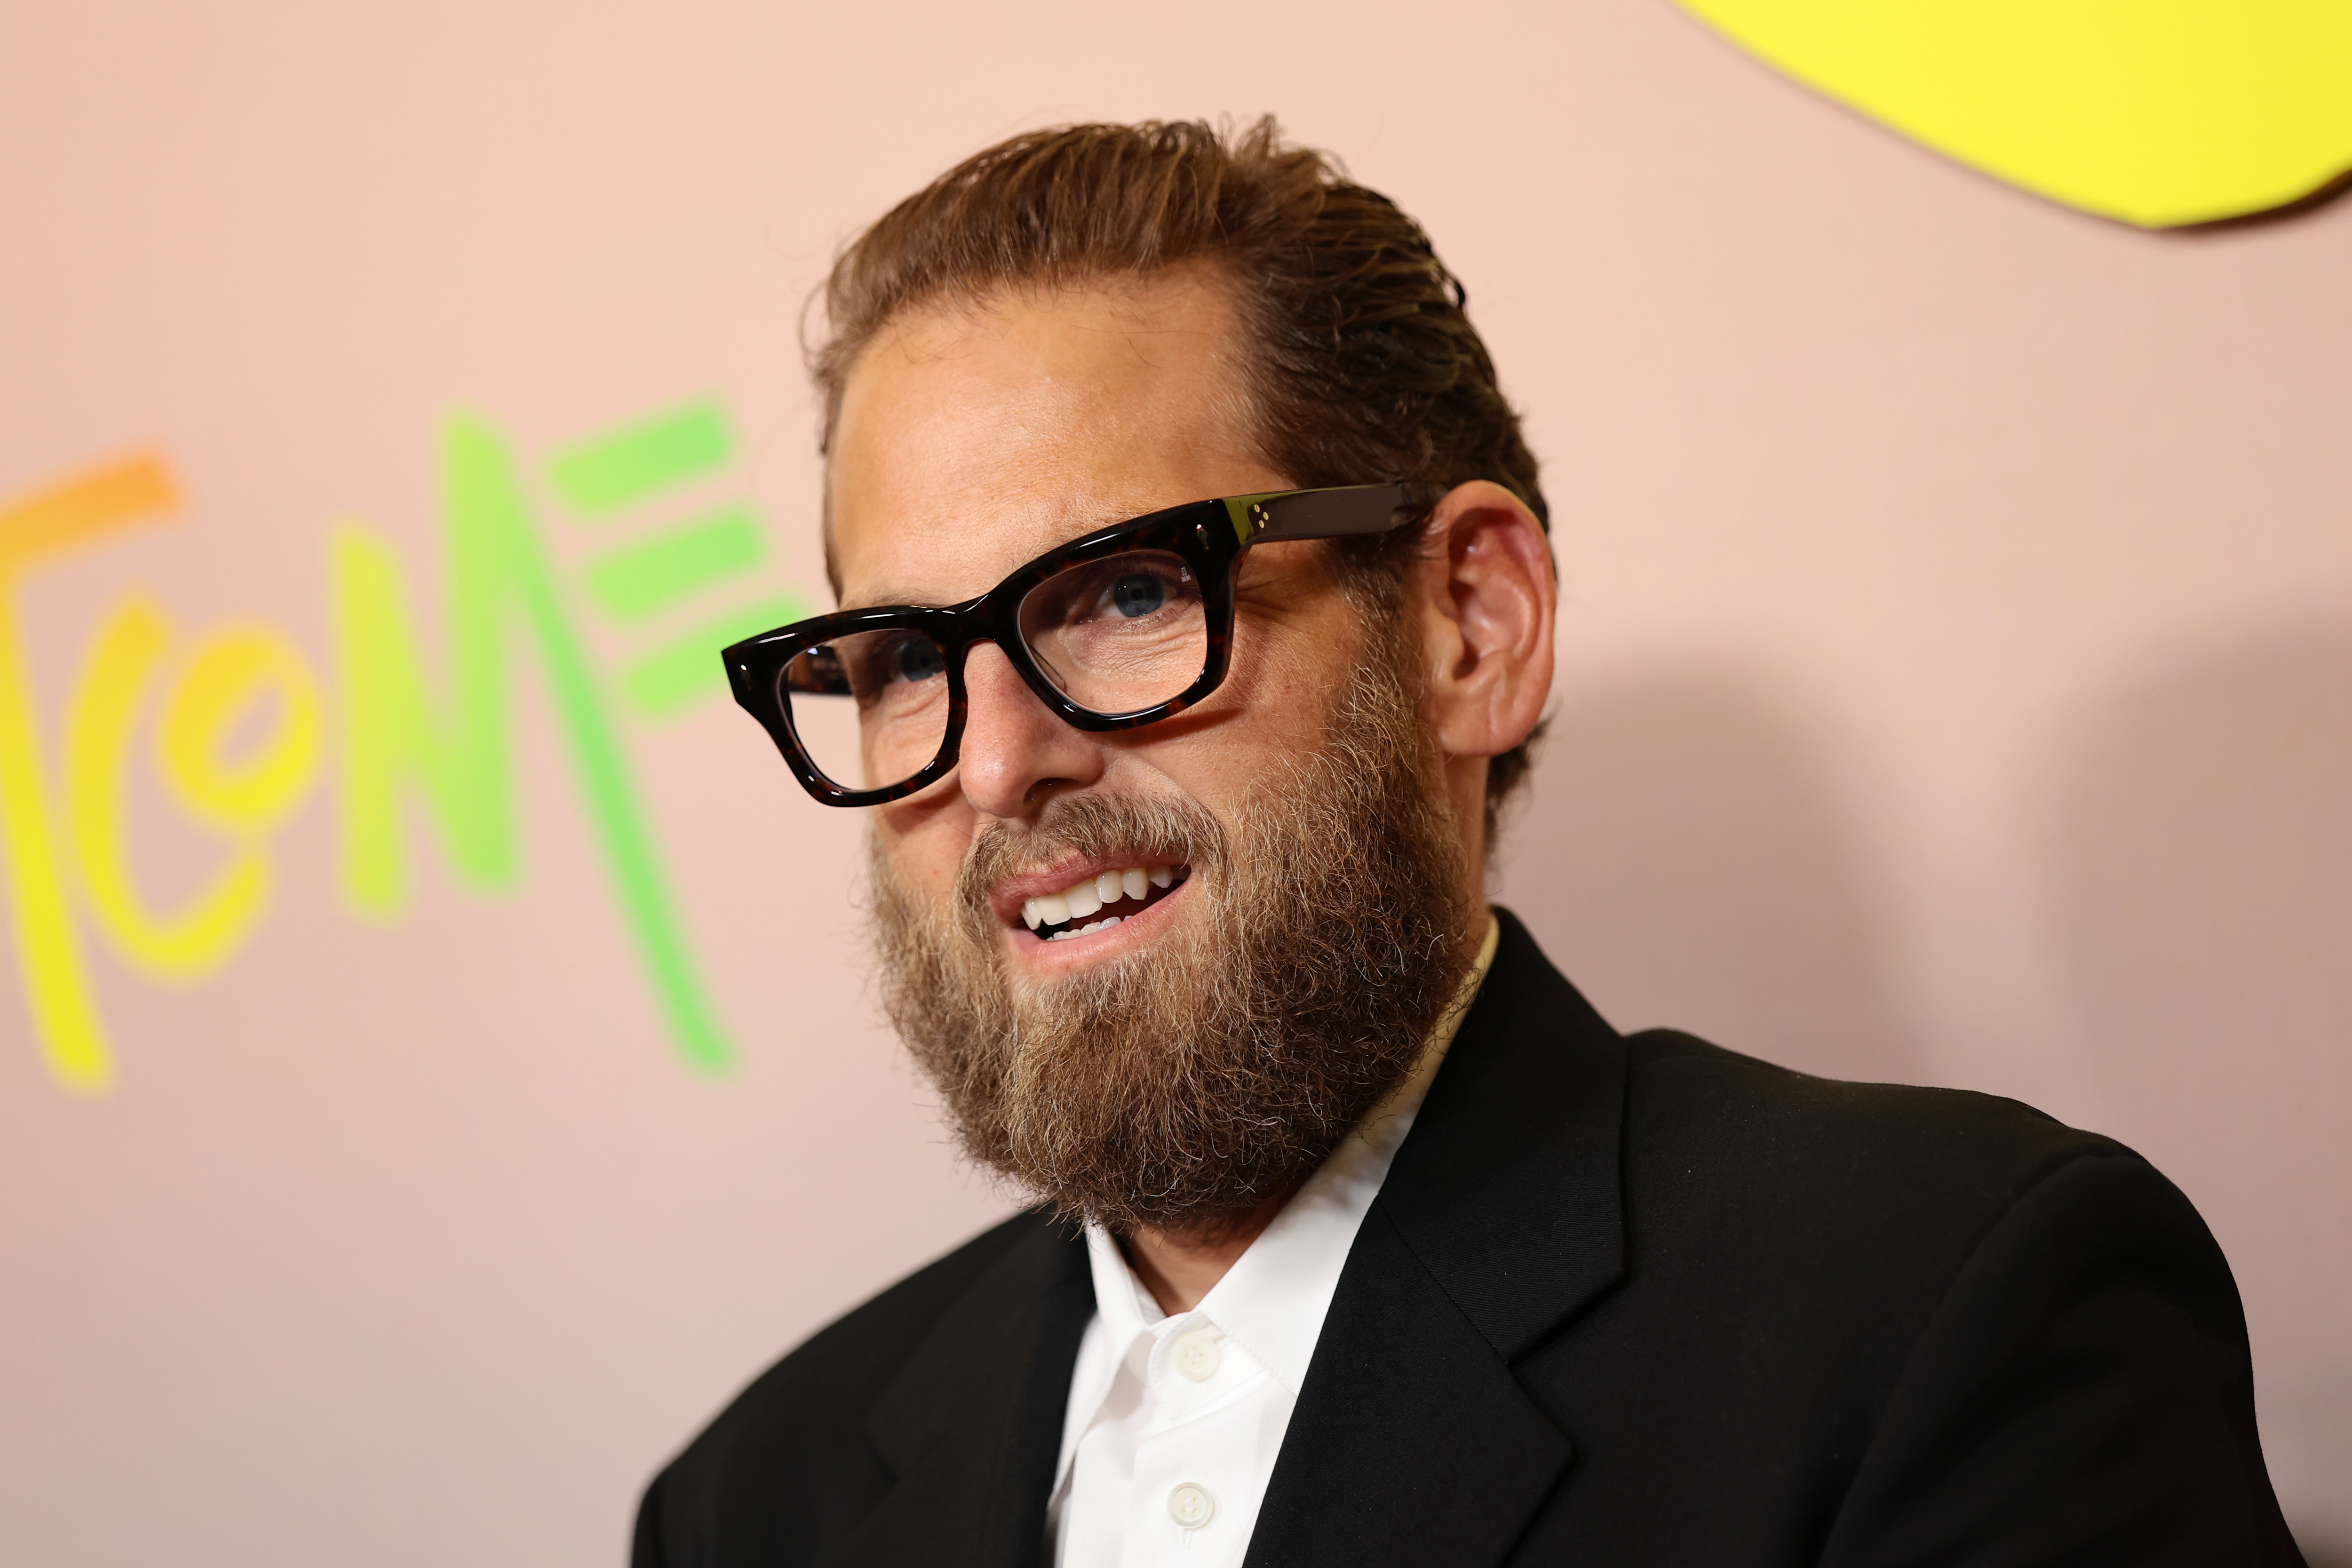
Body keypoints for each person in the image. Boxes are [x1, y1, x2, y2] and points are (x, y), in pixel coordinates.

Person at [633, 119, 2303, 1568]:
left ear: (1470, 625)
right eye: (903, 662)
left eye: (1131, 593)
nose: (997, 764)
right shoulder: (752, 1504)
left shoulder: (1947, 1316)